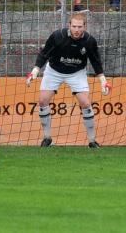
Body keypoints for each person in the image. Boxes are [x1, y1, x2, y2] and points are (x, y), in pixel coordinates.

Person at [26, 13, 111, 148]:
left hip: (76, 73)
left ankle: (92, 141)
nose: (76, 30)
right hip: (54, 71)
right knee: (42, 100)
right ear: (69, 26)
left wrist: (103, 81)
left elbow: (96, 62)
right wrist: (35, 71)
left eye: (80, 27)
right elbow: (44, 54)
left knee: (85, 102)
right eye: (74, 26)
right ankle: (47, 138)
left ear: (85, 27)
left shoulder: (89, 41)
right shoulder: (57, 36)